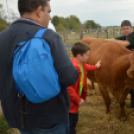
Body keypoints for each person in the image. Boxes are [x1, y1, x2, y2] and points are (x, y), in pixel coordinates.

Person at [0, 0, 78, 134]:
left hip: (16, 116)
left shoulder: (2, 37)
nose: (50, 16)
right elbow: (69, 77)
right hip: (48, 117)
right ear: (38, 11)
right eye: (48, 11)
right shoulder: (48, 36)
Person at [67, 42, 101, 134]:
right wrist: (78, 100)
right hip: (71, 103)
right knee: (71, 121)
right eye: (87, 55)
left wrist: (96, 66)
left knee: (73, 119)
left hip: (75, 100)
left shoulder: (80, 64)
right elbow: (68, 89)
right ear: (79, 56)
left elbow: (87, 67)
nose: (88, 57)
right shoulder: (73, 68)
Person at [106, 20, 134, 108]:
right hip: (127, 65)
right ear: (121, 30)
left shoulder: (132, 35)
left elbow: (125, 44)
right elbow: (114, 39)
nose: (126, 30)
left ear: (131, 28)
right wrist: (102, 41)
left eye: (127, 28)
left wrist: (112, 42)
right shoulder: (124, 37)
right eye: (124, 29)